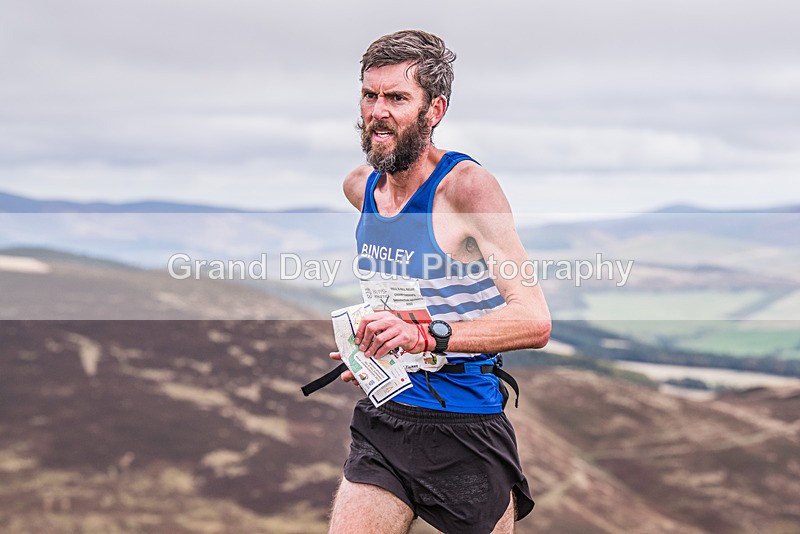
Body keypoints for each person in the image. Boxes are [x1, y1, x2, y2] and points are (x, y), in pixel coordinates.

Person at [328, 30, 551, 534]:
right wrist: (375, 345)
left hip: (466, 428)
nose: (378, 111)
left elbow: (534, 321)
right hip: (387, 415)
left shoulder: (468, 188)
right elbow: (409, 295)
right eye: (370, 95)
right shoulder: (359, 188)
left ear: (435, 110)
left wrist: (426, 335)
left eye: (397, 98)